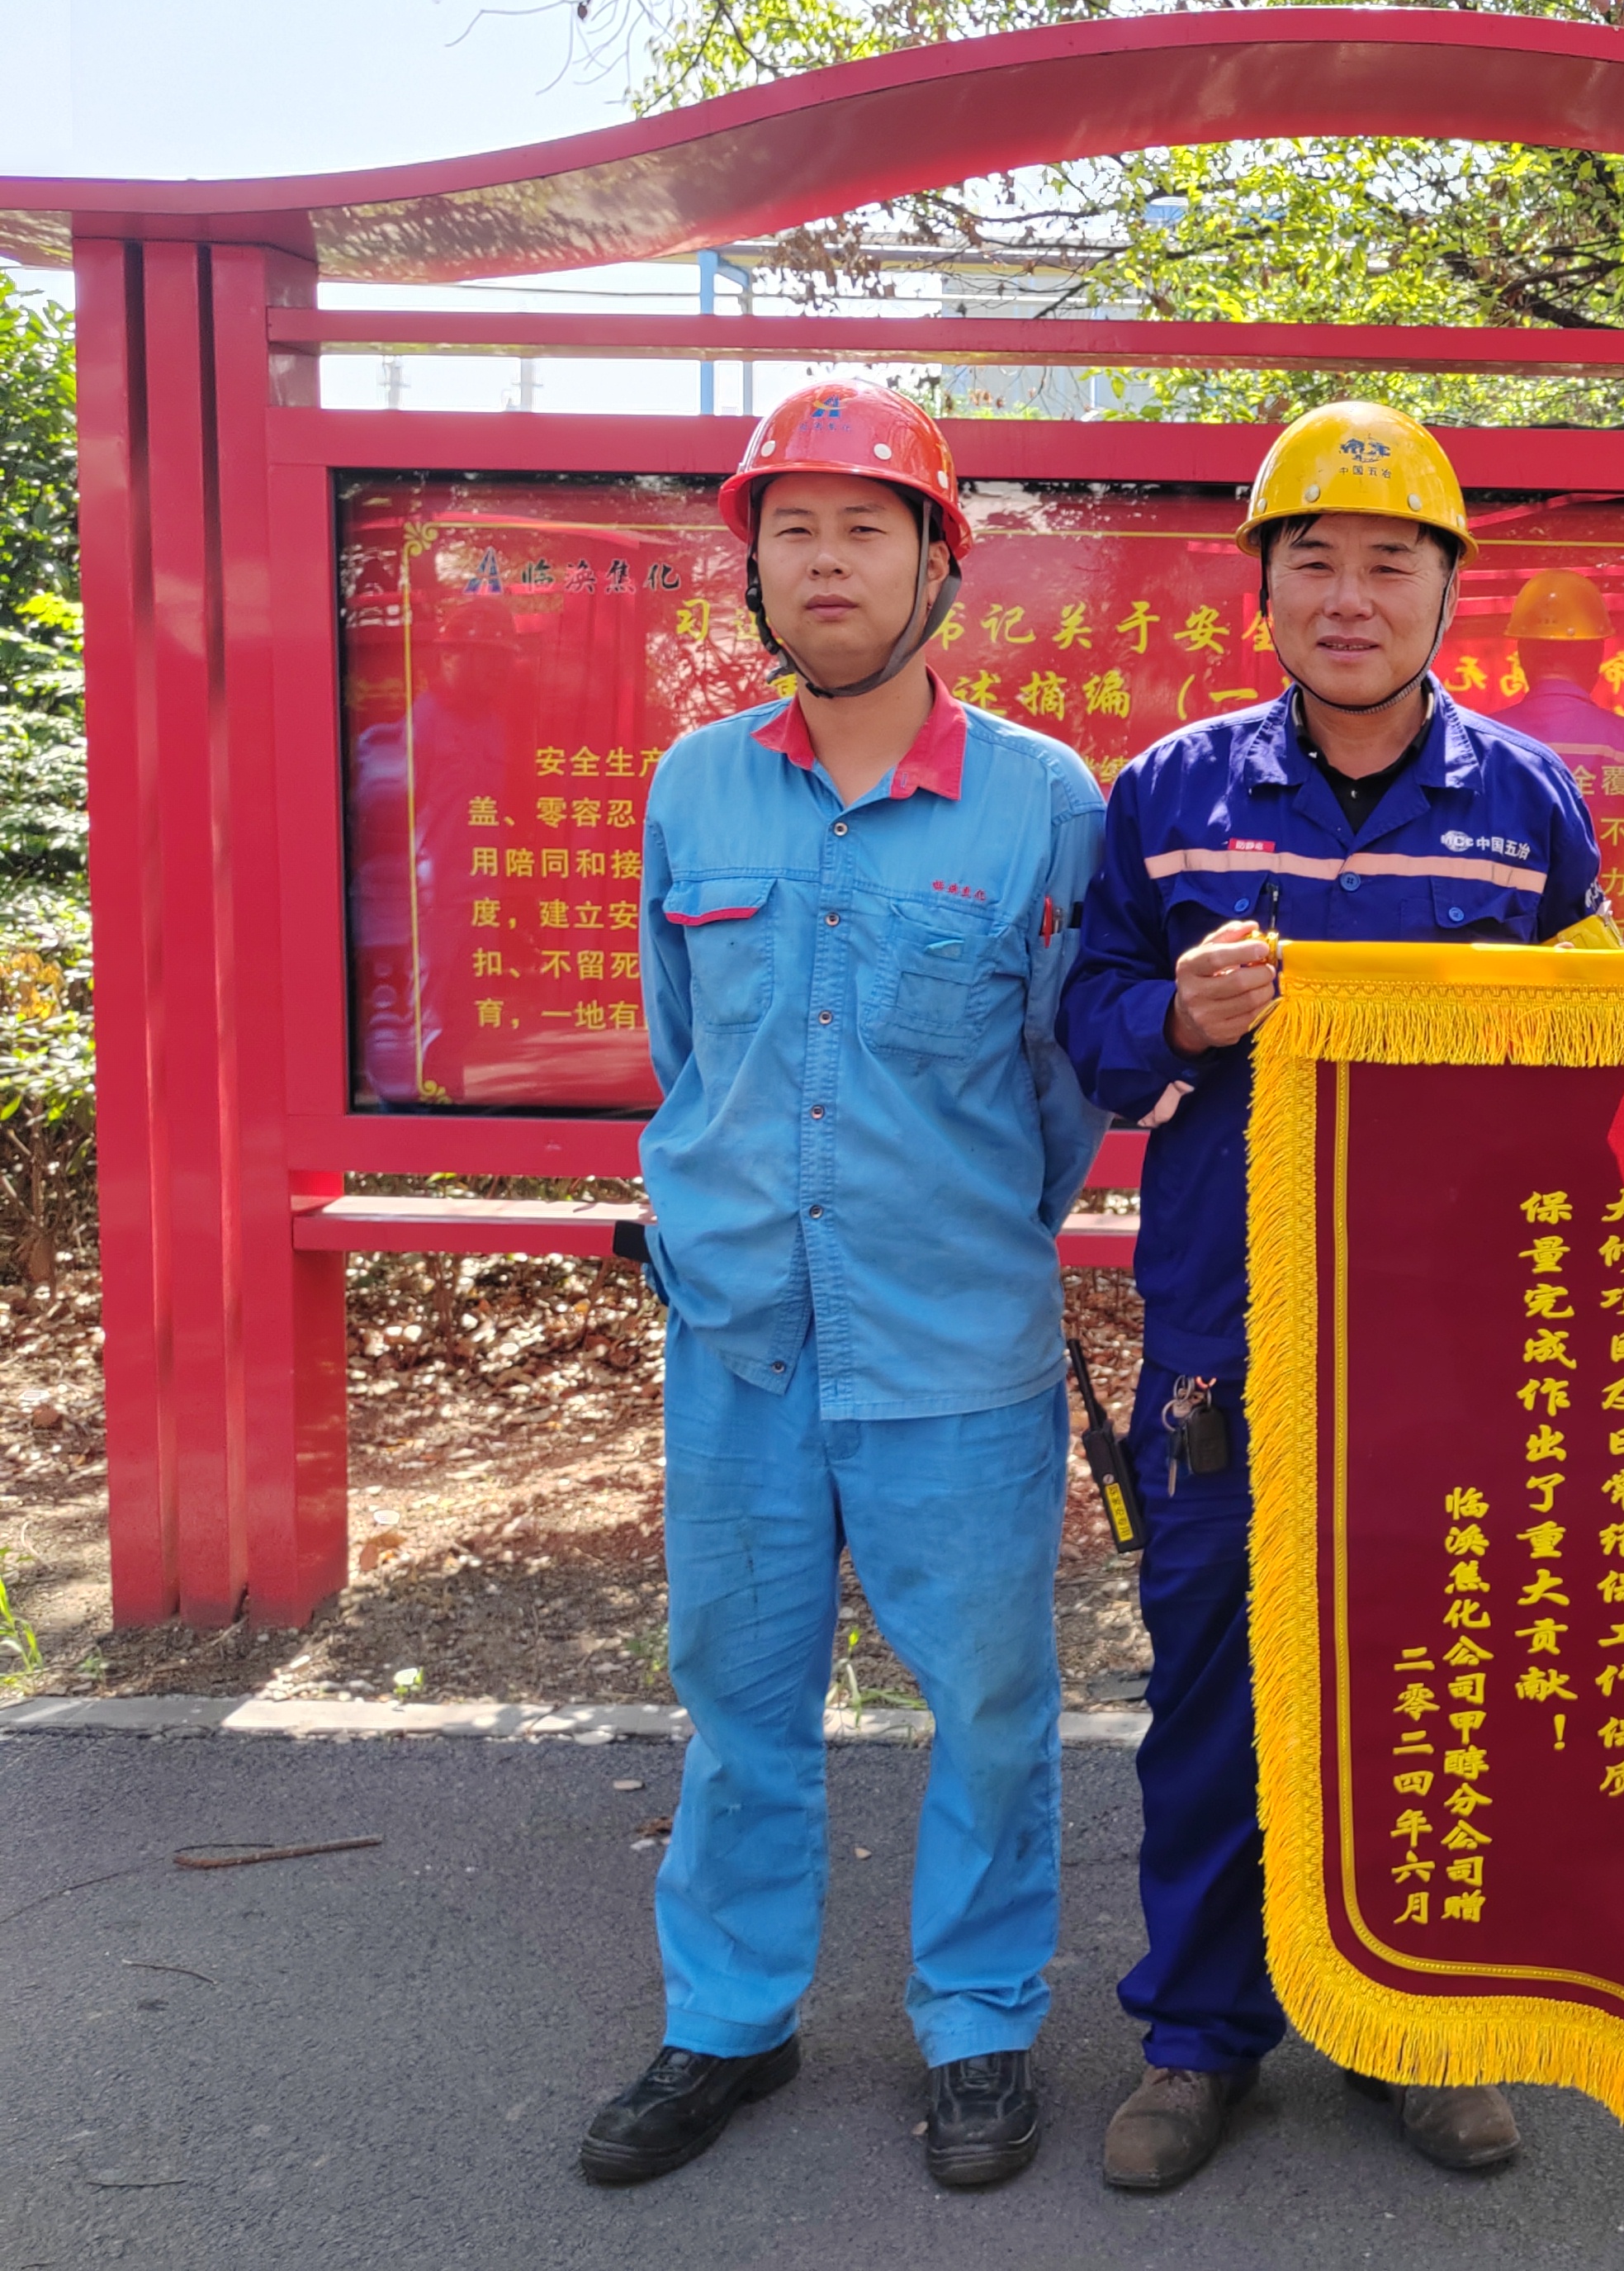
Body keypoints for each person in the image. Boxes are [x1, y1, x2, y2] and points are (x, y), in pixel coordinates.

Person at [1054, 400, 1613, 2196]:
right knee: (1213, 1677)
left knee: (1439, 1668)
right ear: (1264, 588)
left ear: (1447, 590)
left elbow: (1607, 1058)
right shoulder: (1168, 796)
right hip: (1229, 1331)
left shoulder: (1528, 805)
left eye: (1390, 562)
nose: (1350, 597)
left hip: (1455, 1335)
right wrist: (1174, 1015)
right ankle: (1199, 2036)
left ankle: (1420, 2025)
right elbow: (1087, 1028)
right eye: (1315, 561)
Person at [579, 380, 1109, 2192]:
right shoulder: (697, 786)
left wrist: (947, 1234)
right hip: (738, 1340)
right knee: (737, 1699)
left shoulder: (1042, 803)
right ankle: (730, 2017)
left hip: (954, 1343)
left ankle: (977, 2022)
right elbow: (686, 1057)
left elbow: (1061, 1093)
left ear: (938, 565)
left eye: (866, 528)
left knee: (991, 1705)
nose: (825, 561)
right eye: (791, 529)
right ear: (750, 571)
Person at [1491, 566, 1624, 941]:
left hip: (1507, 942)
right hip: (1597, 942)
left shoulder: (1485, 741)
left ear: (1522, 654)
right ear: (1597, 657)